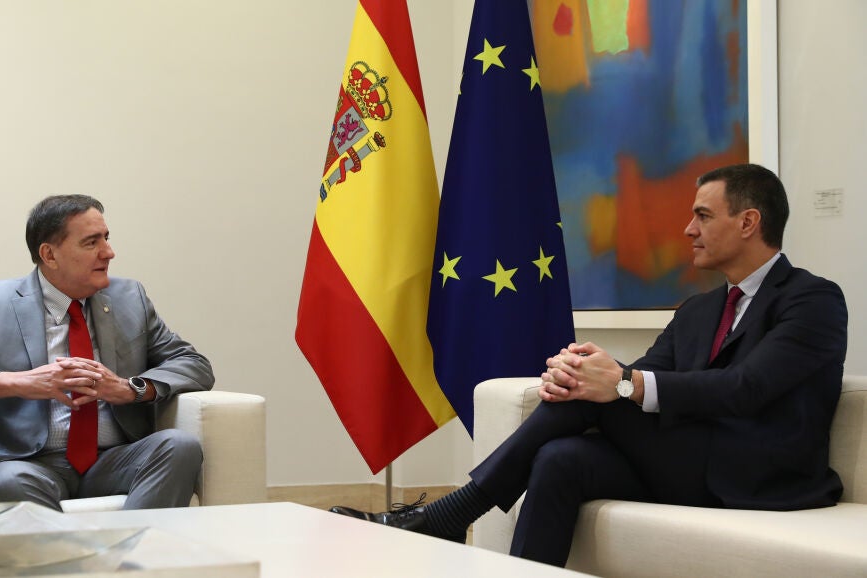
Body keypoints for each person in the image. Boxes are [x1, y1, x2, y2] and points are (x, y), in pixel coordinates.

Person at [330, 163, 848, 566]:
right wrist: (592, 370)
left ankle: (450, 515)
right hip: (690, 461)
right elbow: (648, 371)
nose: (688, 228)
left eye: (703, 216)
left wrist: (619, 382)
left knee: (599, 390)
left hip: (759, 474)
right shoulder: (699, 309)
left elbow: (745, 388)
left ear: (749, 222)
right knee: (562, 458)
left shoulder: (812, 300)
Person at [0, 194, 214, 511]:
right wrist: (21, 382)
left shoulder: (129, 298)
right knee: (9, 481)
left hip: (113, 460)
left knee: (180, 446)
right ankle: (80, 547)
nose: (108, 252)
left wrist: (130, 389)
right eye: (91, 242)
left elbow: (193, 364)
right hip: (25, 462)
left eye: (106, 238)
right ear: (49, 254)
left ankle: (130, 545)